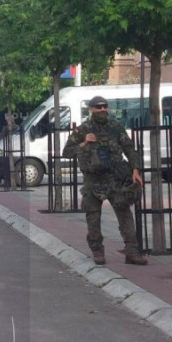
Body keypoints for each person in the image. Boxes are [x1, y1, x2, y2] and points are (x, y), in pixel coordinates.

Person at [62, 95, 147, 266]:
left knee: (125, 215)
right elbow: (67, 152)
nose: (102, 109)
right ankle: (97, 250)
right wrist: (84, 142)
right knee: (93, 217)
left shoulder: (116, 127)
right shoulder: (82, 130)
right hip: (93, 181)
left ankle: (132, 252)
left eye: (104, 106)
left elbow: (129, 148)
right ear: (91, 109)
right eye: (98, 107)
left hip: (115, 179)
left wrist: (135, 169)